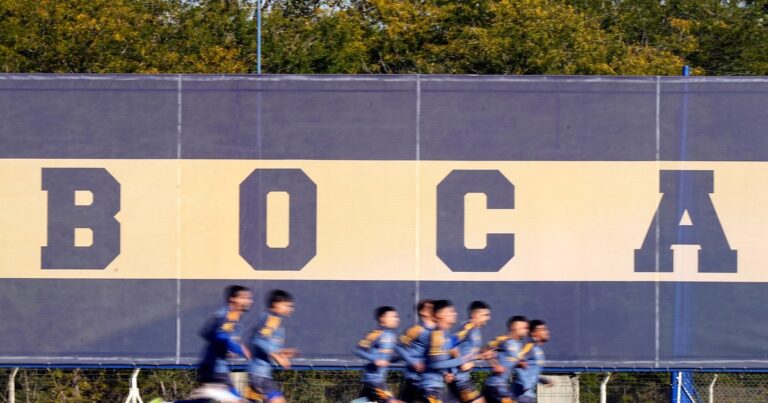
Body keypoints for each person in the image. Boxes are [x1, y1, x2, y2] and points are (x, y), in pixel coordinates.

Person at [150, 285, 253, 403]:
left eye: (249, 298)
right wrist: (239, 349)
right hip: (215, 369)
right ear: (233, 299)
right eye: (244, 298)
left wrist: (229, 349)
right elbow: (217, 335)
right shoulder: (226, 316)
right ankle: (210, 391)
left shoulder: (235, 319)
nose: (249, 301)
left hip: (213, 367)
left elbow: (212, 335)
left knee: (203, 401)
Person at [244, 290, 298, 403]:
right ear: (276, 304)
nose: (290, 309)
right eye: (287, 305)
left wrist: (283, 352)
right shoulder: (271, 320)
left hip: (260, 374)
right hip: (259, 375)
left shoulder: (275, 320)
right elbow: (258, 340)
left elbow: (266, 344)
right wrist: (274, 354)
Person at [421, 300, 476, 403]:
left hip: (440, 386)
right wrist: (464, 359)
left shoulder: (446, 334)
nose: (455, 314)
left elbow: (440, 360)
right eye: (450, 312)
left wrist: (446, 373)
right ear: (439, 315)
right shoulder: (436, 335)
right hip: (431, 388)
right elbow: (435, 364)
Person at [354, 306, 403, 403]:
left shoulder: (392, 336)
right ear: (382, 318)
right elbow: (358, 350)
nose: (396, 319)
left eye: (397, 317)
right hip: (373, 380)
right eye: (393, 317)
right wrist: (375, 359)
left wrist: (401, 357)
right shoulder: (376, 334)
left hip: (379, 379)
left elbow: (388, 359)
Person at [449, 301, 493, 403]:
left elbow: (468, 353)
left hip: (462, 378)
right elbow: (450, 343)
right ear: (474, 315)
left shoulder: (475, 330)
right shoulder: (467, 327)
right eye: (485, 315)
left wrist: (482, 355)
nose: (488, 318)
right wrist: (461, 363)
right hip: (459, 378)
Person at [483, 316, 531, 403]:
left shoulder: (519, 345)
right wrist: (494, 364)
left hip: (502, 385)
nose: (526, 330)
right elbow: (485, 349)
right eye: (524, 328)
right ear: (514, 327)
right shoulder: (503, 339)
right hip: (495, 385)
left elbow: (513, 360)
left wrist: (520, 364)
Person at [395, 299, 435, 402]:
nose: (434, 309)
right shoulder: (417, 329)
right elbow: (398, 346)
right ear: (422, 312)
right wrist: (413, 362)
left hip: (432, 378)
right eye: (430, 307)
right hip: (415, 378)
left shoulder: (439, 331)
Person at [512, 320, 552, 403]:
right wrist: (525, 384)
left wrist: (543, 380)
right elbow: (516, 361)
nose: (547, 332)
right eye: (543, 329)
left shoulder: (537, 349)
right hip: (521, 394)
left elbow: (531, 372)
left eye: (546, 329)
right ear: (534, 333)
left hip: (528, 396)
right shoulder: (529, 346)